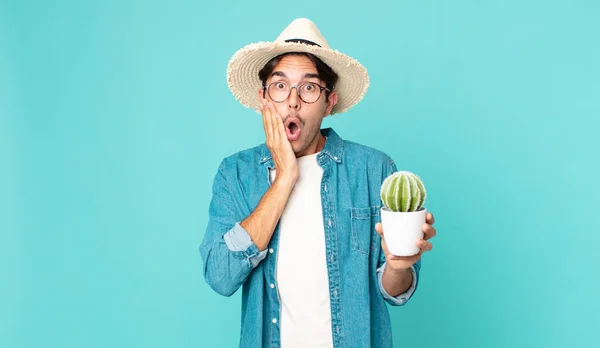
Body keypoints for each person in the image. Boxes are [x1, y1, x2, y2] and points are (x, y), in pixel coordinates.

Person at [199, 18, 437, 348]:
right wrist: (285, 178)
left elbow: (395, 291)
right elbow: (220, 276)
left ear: (329, 102)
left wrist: (398, 266)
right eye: (280, 86)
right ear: (263, 99)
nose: (293, 101)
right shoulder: (235, 174)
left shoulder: (373, 169)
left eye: (309, 87)